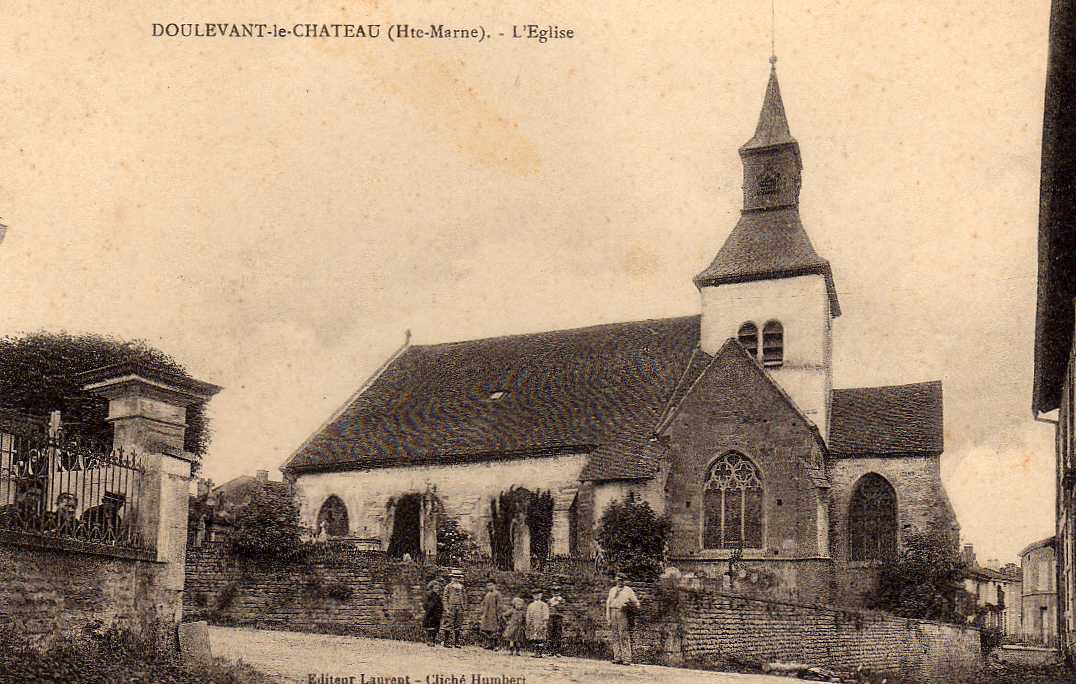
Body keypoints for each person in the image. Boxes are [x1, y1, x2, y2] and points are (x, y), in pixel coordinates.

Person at [606, 573, 640, 665]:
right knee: (615, 636)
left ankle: (627, 658)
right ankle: (617, 657)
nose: (620, 582)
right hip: (613, 612)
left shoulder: (628, 590)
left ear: (624, 581)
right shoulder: (612, 590)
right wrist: (608, 618)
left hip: (622, 613)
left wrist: (628, 606)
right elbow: (608, 604)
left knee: (624, 635)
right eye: (618, 580)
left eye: (621, 580)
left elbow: (637, 603)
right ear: (616, 580)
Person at [478, 581, 504, 650]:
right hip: (487, 615)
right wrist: (482, 613)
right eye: (488, 585)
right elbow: (483, 604)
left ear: (494, 585)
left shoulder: (497, 594)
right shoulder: (487, 594)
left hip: (494, 615)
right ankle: (489, 644)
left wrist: (499, 615)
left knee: (495, 630)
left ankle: (497, 645)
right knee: (486, 630)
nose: (489, 587)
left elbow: (499, 605)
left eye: (490, 585)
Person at [441, 574, 466, 648]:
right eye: (454, 577)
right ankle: (446, 642)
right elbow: (445, 598)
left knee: (458, 625)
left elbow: (465, 597)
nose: (456, 579)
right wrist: (446, 608)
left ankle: (457, 642)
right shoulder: (448, 586)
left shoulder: (461, 587)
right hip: (451, 607)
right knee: (448, 624)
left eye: (458, 577)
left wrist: (464, 607)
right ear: (452, 578)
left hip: (459, 607)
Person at [525, 590, 550, 658]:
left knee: (540, 638)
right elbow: (528, 614)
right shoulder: (531, 605)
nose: (537, 596)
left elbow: (545, 614)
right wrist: (528, 623)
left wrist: (544, 623)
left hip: (540, 624)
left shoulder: (543, 605)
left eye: (538, 594)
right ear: (533, 596)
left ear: (541, 595)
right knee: (534, 638)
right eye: (535, 594)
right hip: (533, 624)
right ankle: (535, 652)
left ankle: (540, 652)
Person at [422, 580, 444, 646]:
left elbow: (440, 605)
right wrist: (429, 610)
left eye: (438, 588)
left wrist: (440, 612)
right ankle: (429, 640)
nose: (437, 590)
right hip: (430, 614)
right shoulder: (430, 596)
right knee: (430, 628)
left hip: (437, 615)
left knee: (435, 628)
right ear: (432, 588)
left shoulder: (438, 597)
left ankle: (433, 641)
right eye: (435, 588)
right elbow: (425, 605)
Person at [547, 589, 565, 657]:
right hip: (551, 617)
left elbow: (562, 608)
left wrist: (556, 604)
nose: (556, 593)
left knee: (558, 634)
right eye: (554, 592)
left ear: (559, 593)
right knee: (550, 634)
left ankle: (557, 651)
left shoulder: (562, 600)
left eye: (557, 592)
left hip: (558, 617)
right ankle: (550, 651)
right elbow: (548, 608)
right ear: (552, 593)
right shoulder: (549, 600)